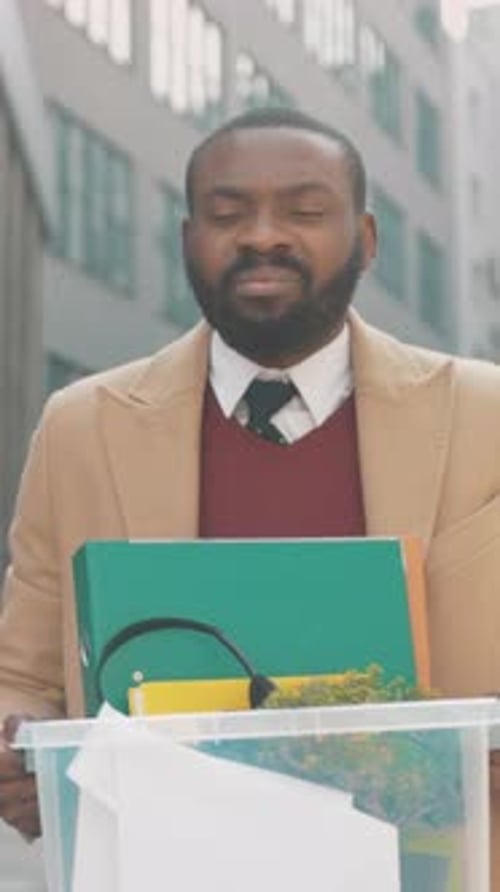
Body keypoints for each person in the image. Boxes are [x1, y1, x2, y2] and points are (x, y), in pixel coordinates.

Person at [1, 106, 500, 876]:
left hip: (433, 868)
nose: (263, 235)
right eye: (227, 213)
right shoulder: (82, 429)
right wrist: (18, 742)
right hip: (165, 867)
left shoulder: (485, 418)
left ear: (365, 240)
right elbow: (21, 674)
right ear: (186, 240)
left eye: (304, 211)